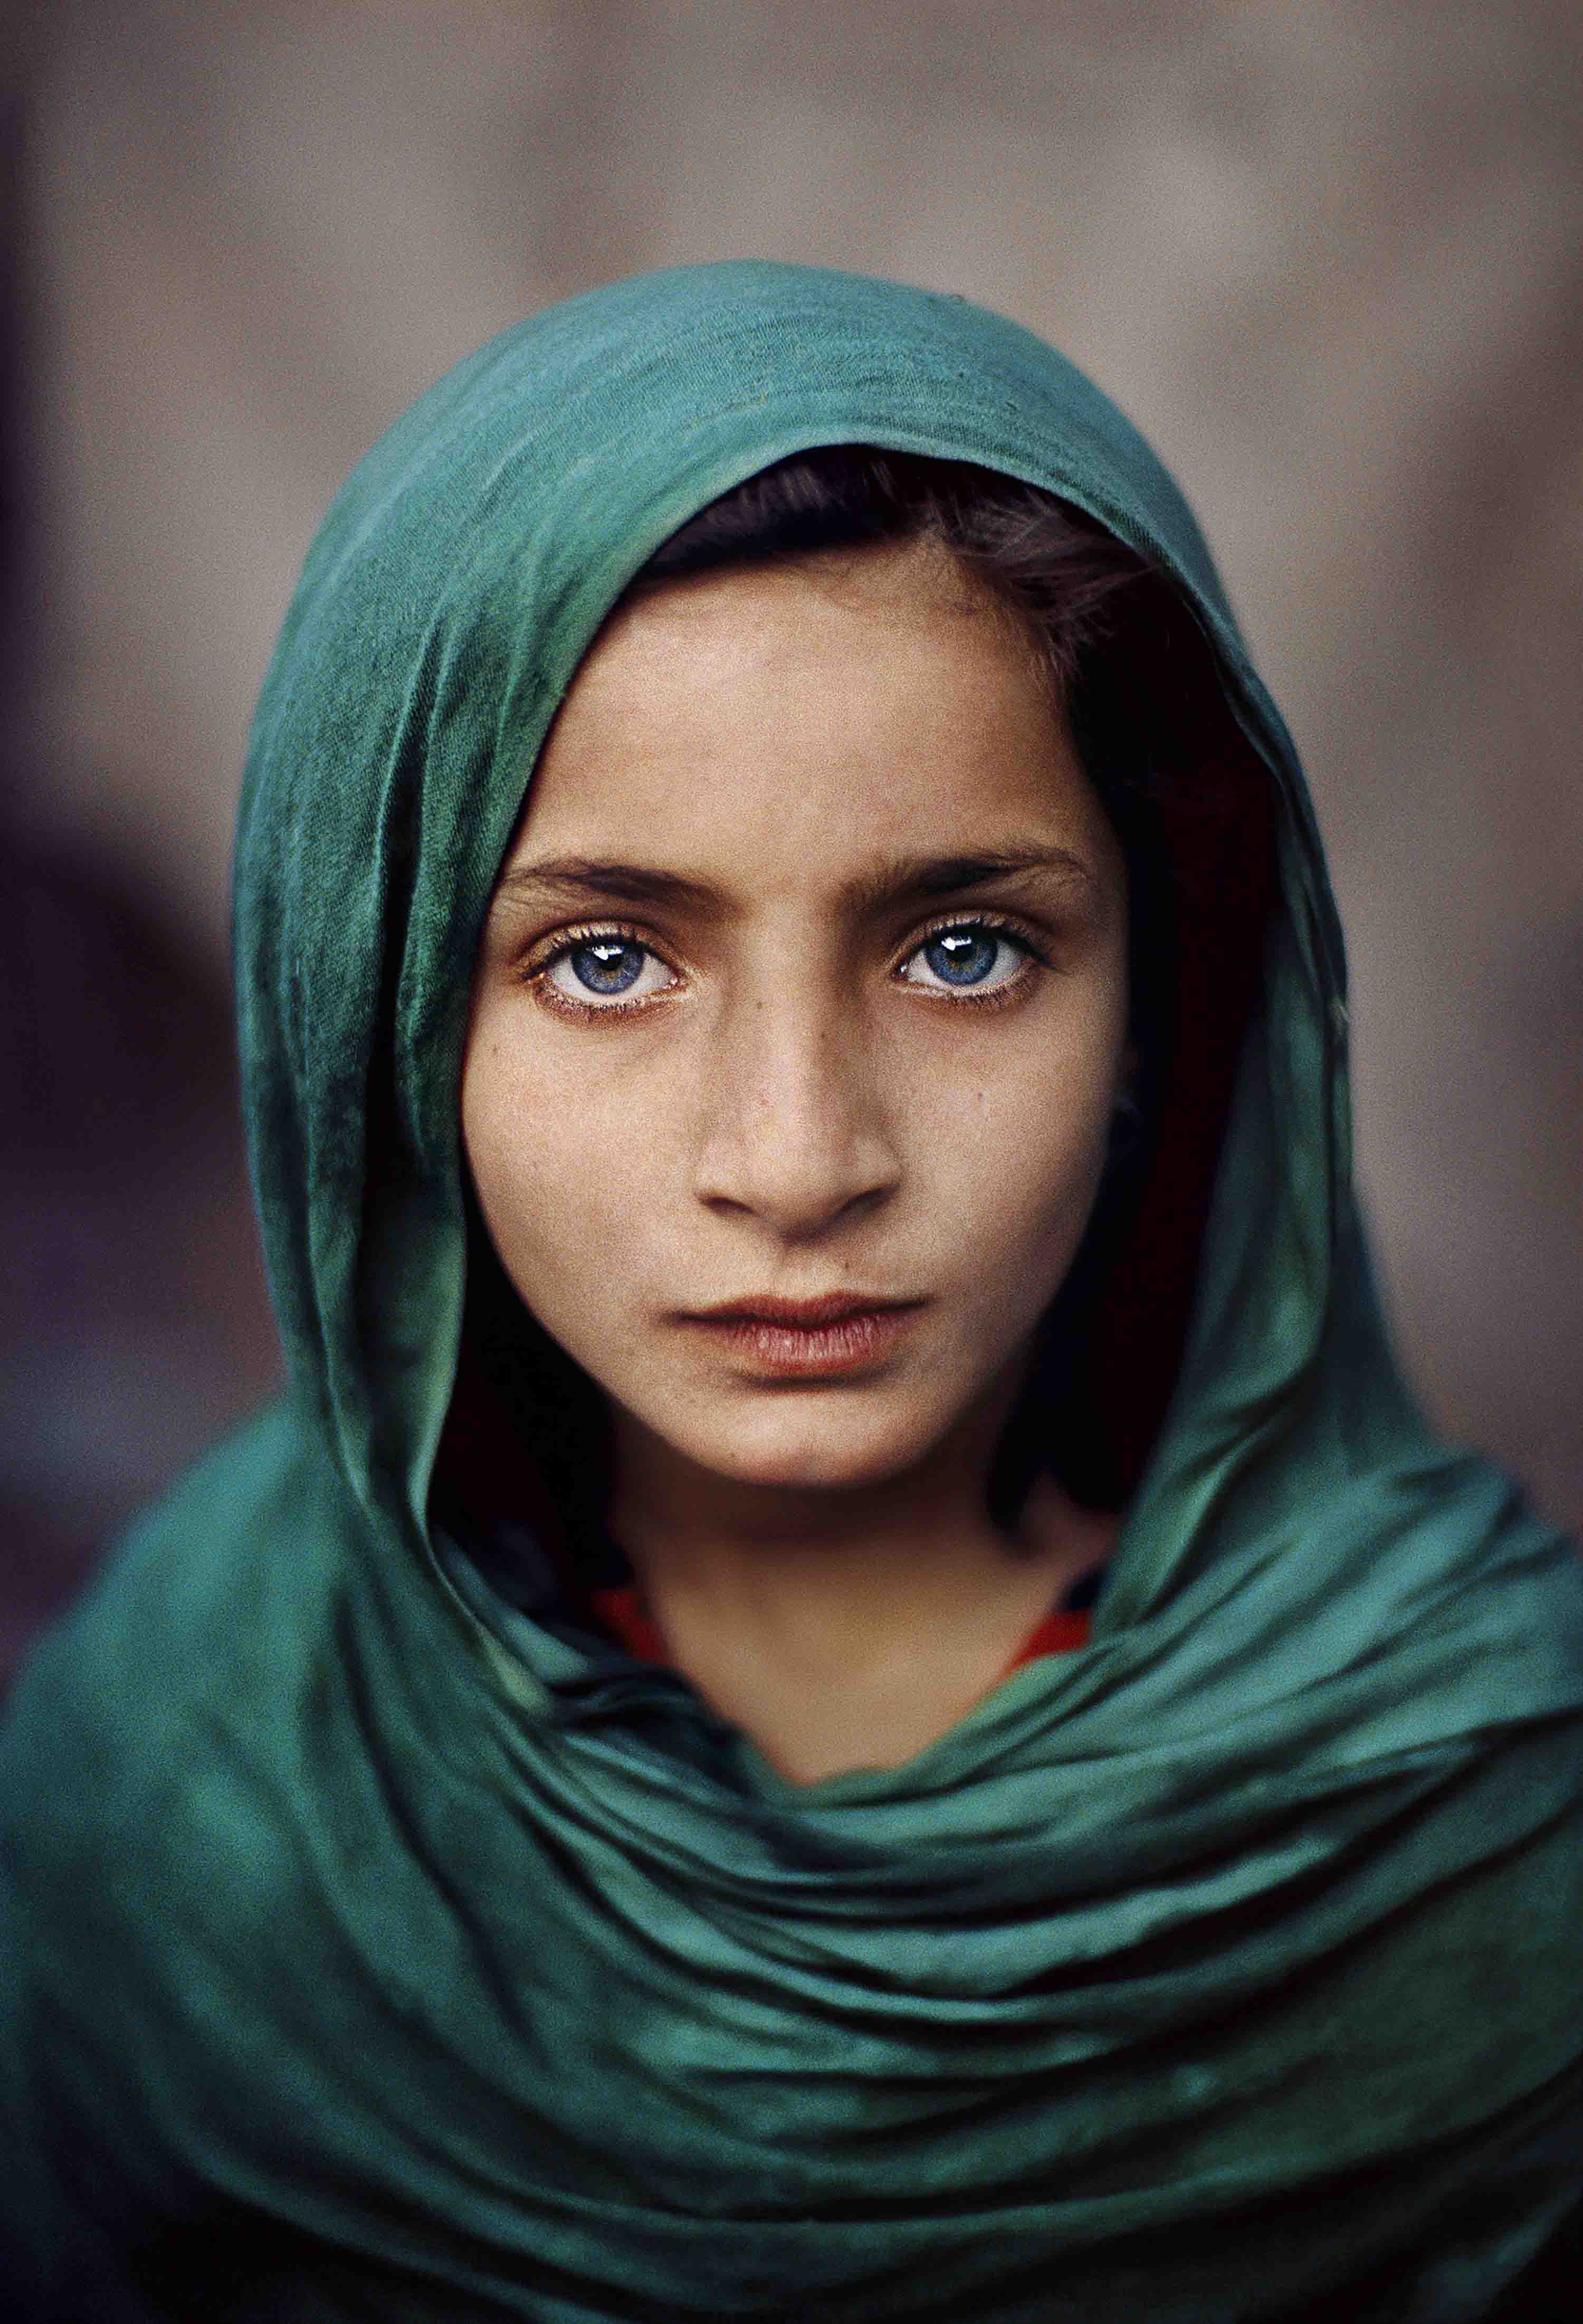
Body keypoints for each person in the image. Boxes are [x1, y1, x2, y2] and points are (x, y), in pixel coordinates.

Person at [2, 262, 1580, 2322]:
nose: (800, 1158)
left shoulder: (1490, 1823)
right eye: (603, 960)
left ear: (1164, 1007)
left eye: (960, 951)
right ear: (382, 1022)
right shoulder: (181, 1775)